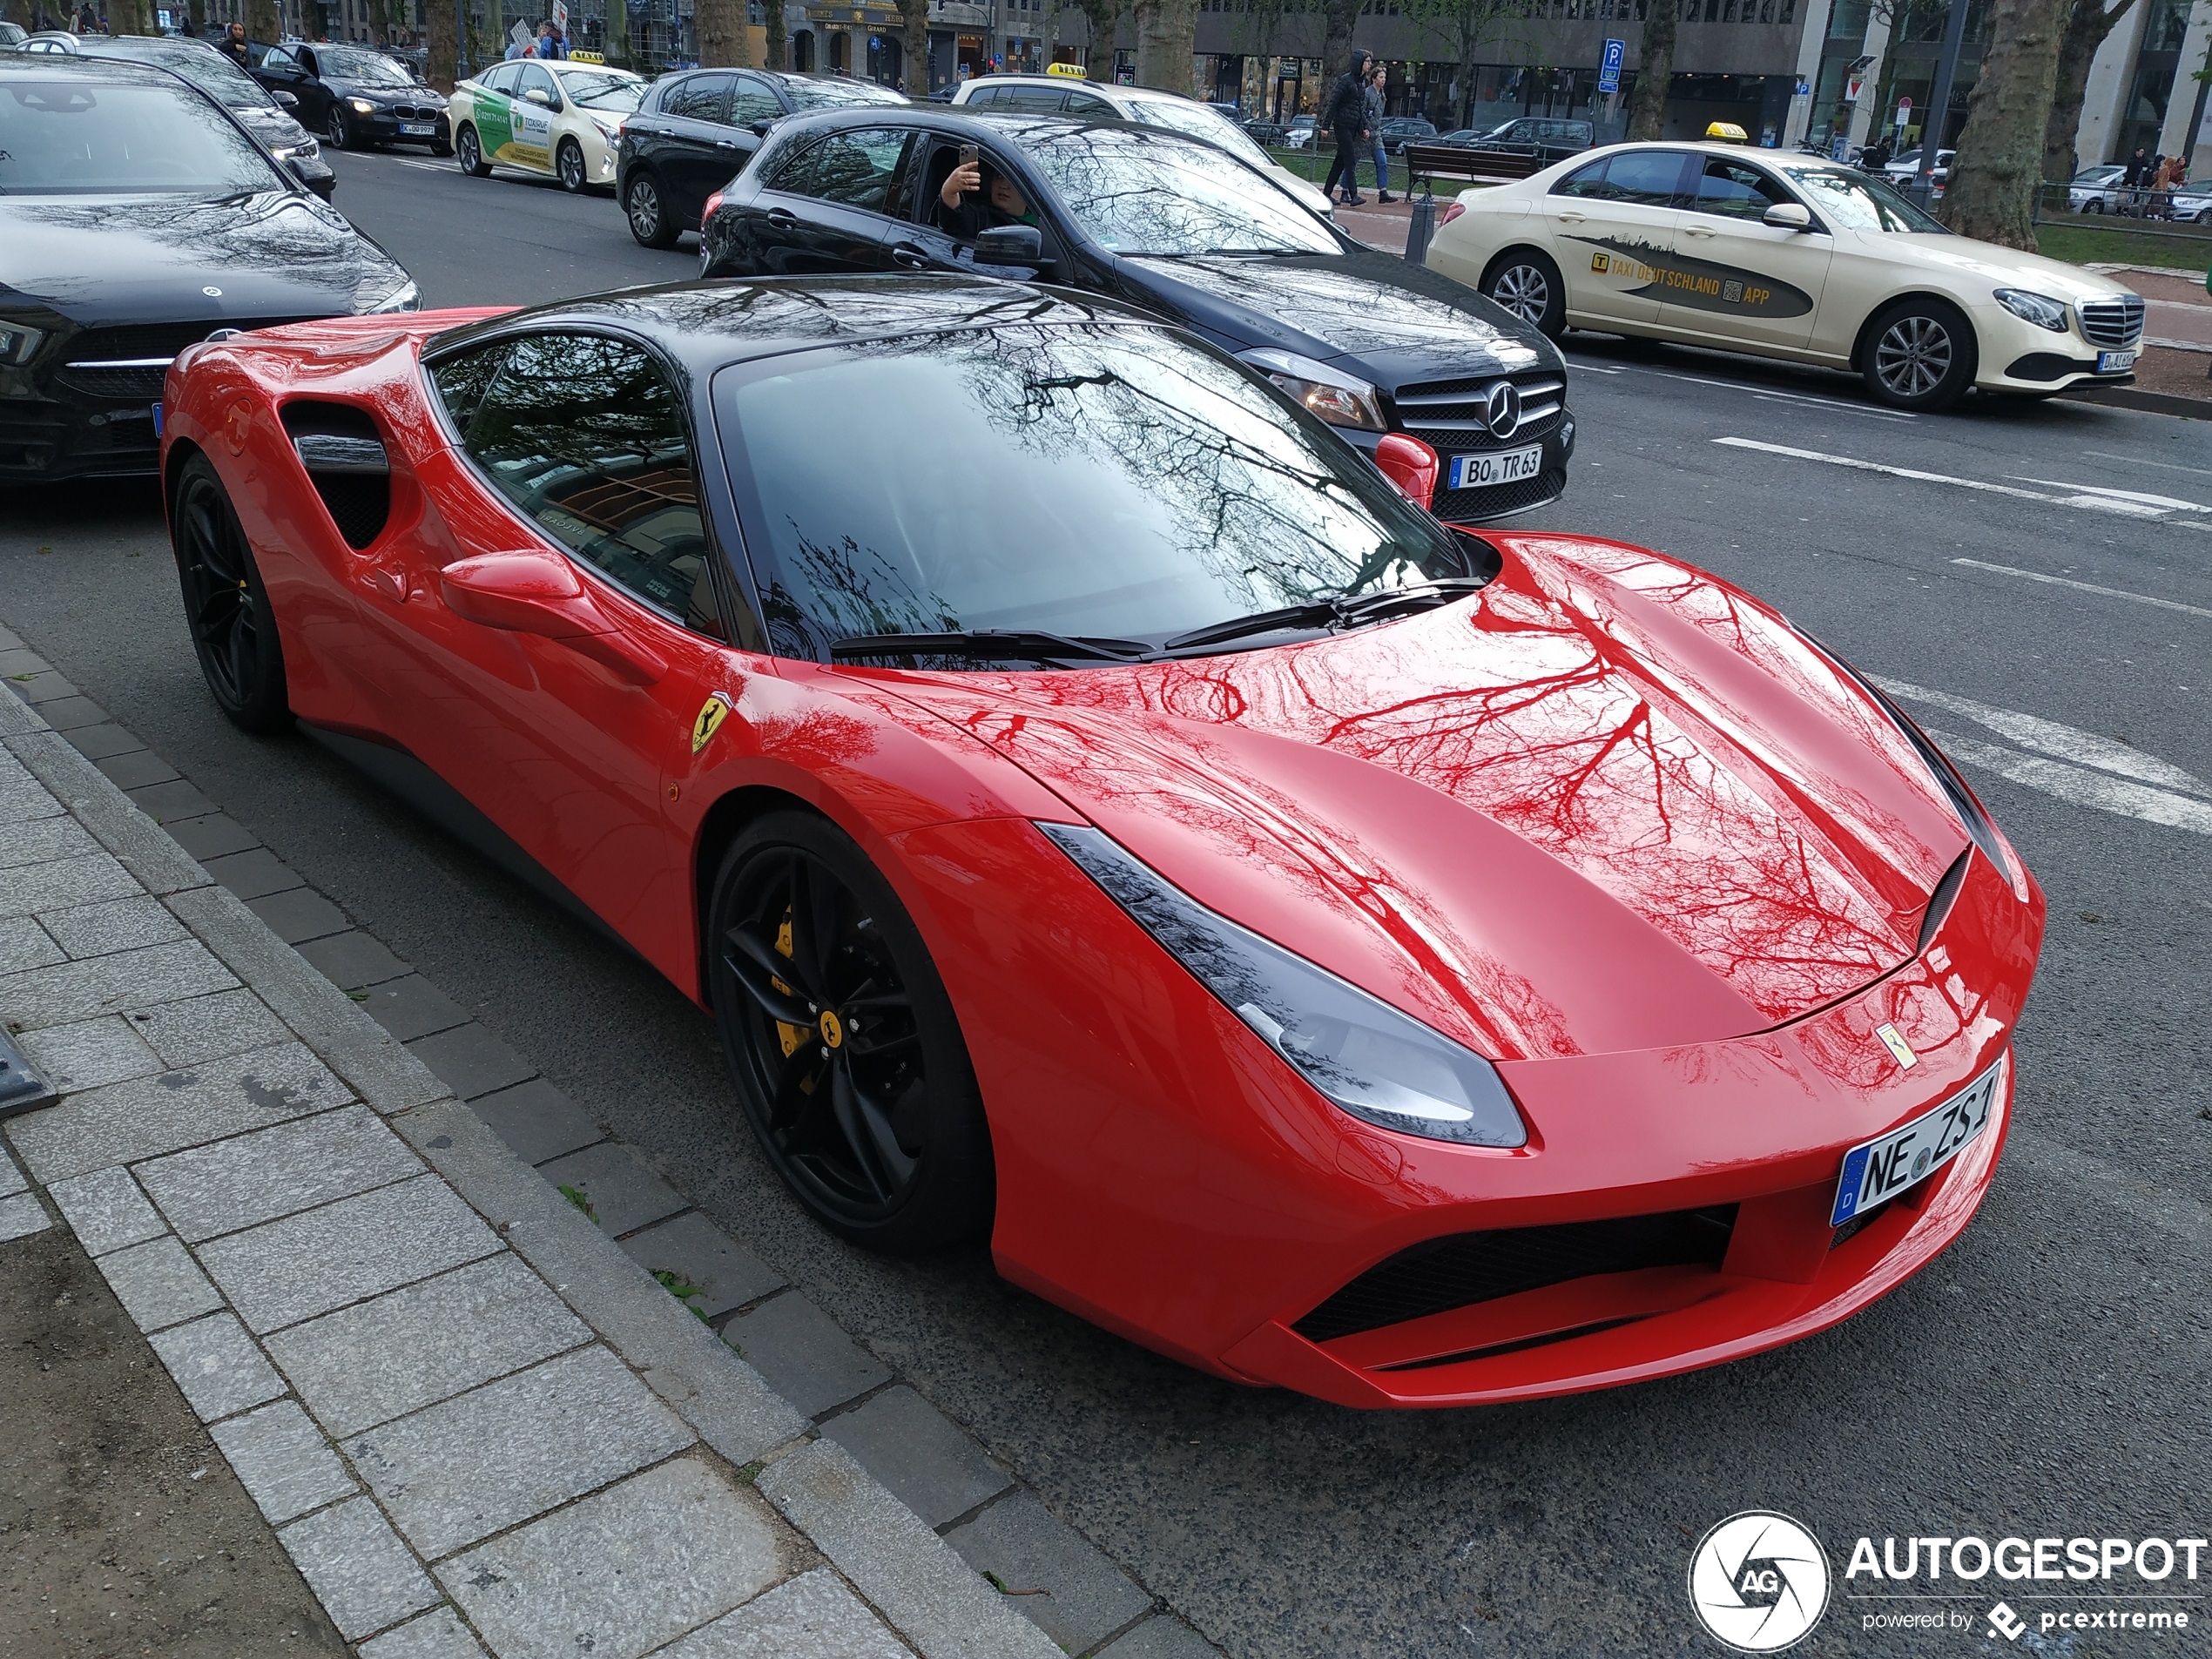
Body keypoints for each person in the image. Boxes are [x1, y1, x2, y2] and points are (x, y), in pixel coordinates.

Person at [936, 154, 1038, 240]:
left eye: (1012, 180)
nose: (1003, 185)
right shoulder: (982, 215)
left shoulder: (1044, 213)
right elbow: (955, 220)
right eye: (998, 176)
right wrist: (949, 192)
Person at [1318, 50, 1372, 207]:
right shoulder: (1346, 81)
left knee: (1340, 162)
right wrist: (1325, 125)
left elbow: (1360, 108)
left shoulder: (1362, 83)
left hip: (1353, 126)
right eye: (1367, 61)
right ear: (1359, 63)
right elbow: (1333, 103)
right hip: (1342, 125)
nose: (1369, 65)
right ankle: (1353, 194)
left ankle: (1327, 193)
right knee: (1350, 158)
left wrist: (1364, 127)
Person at [1366, 62, 1395, 205]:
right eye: (1381, 77)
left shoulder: (1382, 95)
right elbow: (1363, 112)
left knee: (1382, 162)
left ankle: (1383, 191)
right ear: (1374, 79)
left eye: (1385, 77)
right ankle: (1345, 189)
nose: (1383, 80)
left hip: (1376, 134)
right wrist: (1364, 128)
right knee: (1353, 162)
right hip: (1365, 133)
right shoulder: (1367, 93)